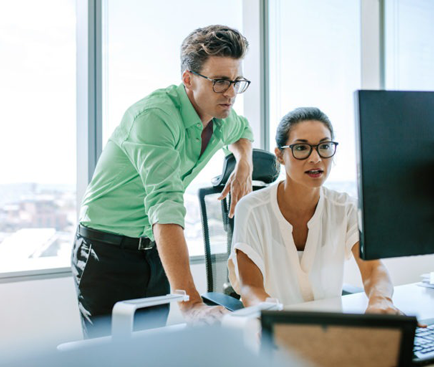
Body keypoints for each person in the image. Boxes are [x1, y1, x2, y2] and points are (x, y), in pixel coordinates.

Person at [72, 25, 255, 338]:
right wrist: (192, 305)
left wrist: (244, 163)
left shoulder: (221, 116)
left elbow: (243, 132)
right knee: (108, 356)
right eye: (221, 81)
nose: (231, 92)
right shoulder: (155, 117)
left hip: (154, 251)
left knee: (150, 350)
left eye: (236, 81)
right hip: (107, 249)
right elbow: (165, 205)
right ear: (188, 79)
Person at [228, 107, 402, 314]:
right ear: (281, 155)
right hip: (272, 332)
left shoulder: (345, 208)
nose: (316, 158)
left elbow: (374, 270)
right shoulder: (252, 209)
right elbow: (250, 289)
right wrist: (278, 320)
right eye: (301, 148)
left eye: (324, 146)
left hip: (330, 332)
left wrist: (380, 300)